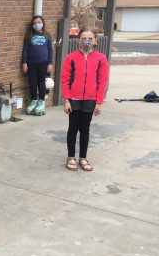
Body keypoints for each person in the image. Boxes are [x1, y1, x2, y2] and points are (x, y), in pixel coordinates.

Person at [60, 27, 108, 172]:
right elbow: (65, 79)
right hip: (74, 99)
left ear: (95, 41)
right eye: (84, 38)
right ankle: (70, 157)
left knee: (85, 129)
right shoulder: (70, 58)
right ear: (78, 40)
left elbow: (102, 81)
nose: (87, 41)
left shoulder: (101, 59)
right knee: (73, 128)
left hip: (90, 100)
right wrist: (66, 100)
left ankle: (83, 157)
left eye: (90, 38)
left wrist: (98, 102)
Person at [22, 15, 53, 116]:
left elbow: (50, 50)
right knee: (32, 83)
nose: (37, 24)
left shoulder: (47, 35)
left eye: (39, 22)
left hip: (43, 63)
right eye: (35, 23)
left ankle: (41, 101)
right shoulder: (29, 36)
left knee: (41, 83)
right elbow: (25, 50)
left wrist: (50, 63)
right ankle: (34, 100)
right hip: (31, 63)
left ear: (43, 23)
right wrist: (24, 62)